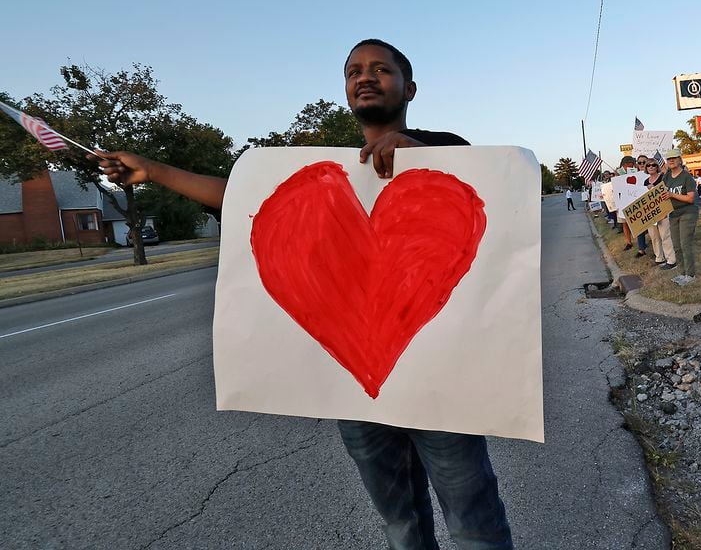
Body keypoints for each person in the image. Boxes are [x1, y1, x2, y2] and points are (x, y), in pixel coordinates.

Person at [93, 39, 515, 548]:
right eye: (354, 70)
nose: (366, 76)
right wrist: (153, 171)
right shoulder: (326, 167)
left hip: (441, 381)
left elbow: (496, 199)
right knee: (400, 520)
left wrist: (422, 156)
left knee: (473, 519)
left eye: (382, 69)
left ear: (410, 88)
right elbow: (242, 195)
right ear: (345, 90)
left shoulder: (449, 147)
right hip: (358, 389)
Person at [662, 148, 698, 285]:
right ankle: (682, 273)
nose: (671, 160)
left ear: (679, 159)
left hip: (687, 212)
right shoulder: (666, 176)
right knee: (676, 245)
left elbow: (690, 198)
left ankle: (690, 275)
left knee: (685, 244)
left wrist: (672, 195)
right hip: (673, 213)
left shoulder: (686, 177)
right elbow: (660, 190)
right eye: (668, 159)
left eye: (674, 158)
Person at [638, 159, 676, 267]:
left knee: (665, 235)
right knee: (654, 236)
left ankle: (671, 260)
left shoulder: (663, 177)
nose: (651, 167)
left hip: (663, 211)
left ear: (657, 166)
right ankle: (659, 257)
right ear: (646, 168)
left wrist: (654, 188)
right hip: (650, 214)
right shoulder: (645, 182)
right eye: (648, 165)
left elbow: (666, 190)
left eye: (653, 165)